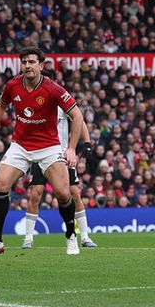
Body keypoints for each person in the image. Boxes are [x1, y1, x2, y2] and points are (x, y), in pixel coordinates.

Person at [0, 46, 84, 256]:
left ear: (41, 65)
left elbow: (77, 116)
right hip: (21, 145)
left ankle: (71, 236)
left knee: (64, 193)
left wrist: (71, 148)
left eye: (32, 62)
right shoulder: (13, 85)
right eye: (24, 62)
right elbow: (0, 105)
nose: (27, 66)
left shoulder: (53, 89)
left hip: (48, 146)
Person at [22, 106, 97, 249]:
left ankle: (85, 236)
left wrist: (87, 143)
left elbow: (79, 120)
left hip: (62, 154)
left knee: (74, 193)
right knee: (35, 194)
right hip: (40, 153)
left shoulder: (62, 104)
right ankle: (28, 238)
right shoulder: (37, 105)